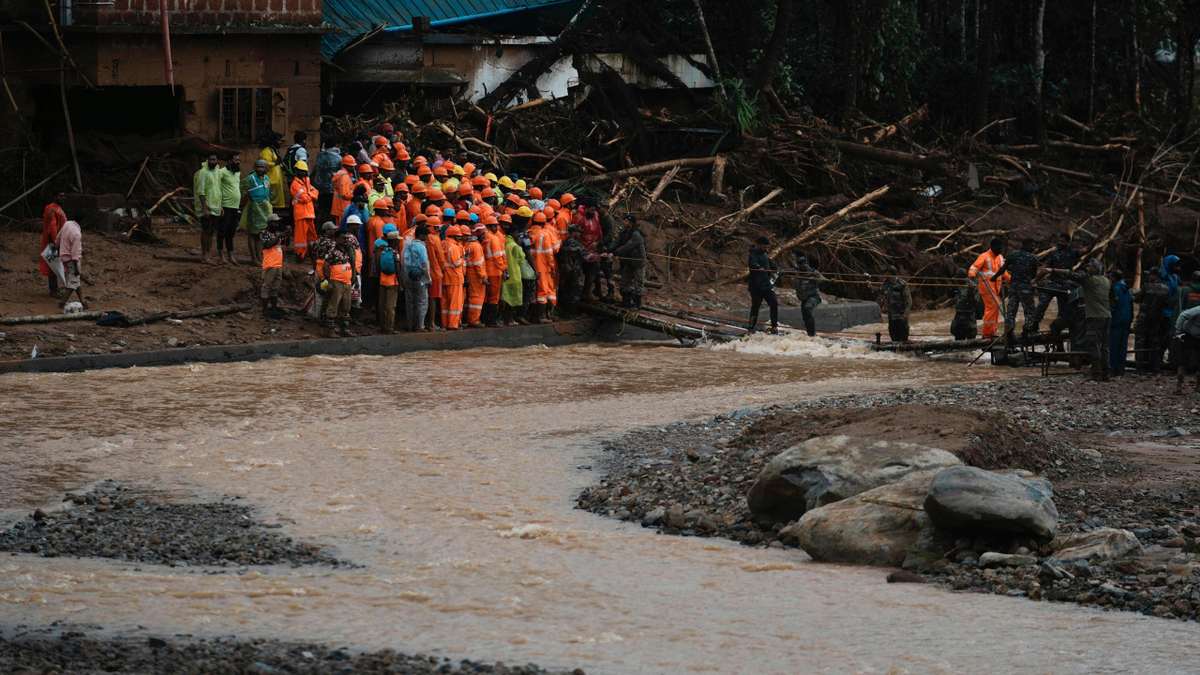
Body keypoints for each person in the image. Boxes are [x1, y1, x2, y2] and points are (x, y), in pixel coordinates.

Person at [1044, 257, 1113, 381]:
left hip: (1094, 316)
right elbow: (1113, 297)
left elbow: (1070, 273)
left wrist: (1051, 269)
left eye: (1089, 266)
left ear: (1095, 269)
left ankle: (1096, 374)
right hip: (1107, 316)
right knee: (1105, 346)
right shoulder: (1106, 281)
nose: (1087, 268)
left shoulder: (1089, 279)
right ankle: (1106, 374)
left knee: (1095, 345)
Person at [992, 236, 1039, 341]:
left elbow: (1003, 269)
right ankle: (1026, 331)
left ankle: (1009, 327)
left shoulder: (1012, 254)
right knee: (1030, 311)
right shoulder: (1033, 258)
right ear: (1026, 245)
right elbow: (1034, 275)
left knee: (1011, 310)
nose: (1034, 248)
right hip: (1026, 288)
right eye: (1032, 246)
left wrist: (994, 277)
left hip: (1013, 288)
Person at [1032, 233, 1079, 330]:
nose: (1060, 243)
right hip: (1052, 283)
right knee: (1042, 304)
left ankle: (1058, 327)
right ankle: (1034, 324)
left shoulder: (1073, 253)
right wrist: (1036, 280)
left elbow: (1086, 250)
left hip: (1065, 285)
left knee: (1064, 308)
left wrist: (1096, 241)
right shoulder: (1054, 253)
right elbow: (1046, 268)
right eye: (1059, 241)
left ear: (1068, 242)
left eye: (1062, 241)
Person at [319, 226, 357, 337]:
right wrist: (329, 281)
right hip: (336, 281)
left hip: (347, 282)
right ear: (336, 239)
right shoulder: (333, 251)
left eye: (347, 238)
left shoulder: (348, 250)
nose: (346, 240)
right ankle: (330, 329)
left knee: (346, 306)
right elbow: (325, 266)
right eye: (343, 238)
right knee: (333, 305)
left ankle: (344, 328)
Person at [968, 237, 1009, 339]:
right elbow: (973, 268)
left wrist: (1013, 279)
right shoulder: (984, 256)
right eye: (999, 248)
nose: (1000, 251)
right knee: (992, 307)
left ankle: (992, 332)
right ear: (993, 247)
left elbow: (1004, 274)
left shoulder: (1000, 258)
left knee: (996, 308)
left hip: (996, 288)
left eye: (1001, 249)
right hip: (986, 287)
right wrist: (972, 275)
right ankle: (986, 334)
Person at [1133, 270, 1170, 372]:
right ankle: (1155, 367)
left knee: (1140, 341)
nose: (1148, 276)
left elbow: (1137, 299)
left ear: (1155, 276)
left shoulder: (1147, 287)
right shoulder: (1166, 288)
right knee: (1155, 342)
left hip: (1143, 318)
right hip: (1156, 319)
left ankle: (1139, 367)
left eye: (1150, 275)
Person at [608, 214, 646, 310]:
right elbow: (616, 243)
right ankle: (626, 302)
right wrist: (608, 251)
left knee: (638, 284)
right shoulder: (623, 233)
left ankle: (637, 304)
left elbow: (627, 246)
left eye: (626, 221)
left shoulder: (636, 235)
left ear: (631, 223)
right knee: (625, 282)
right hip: (628, 262)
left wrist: (615, 253)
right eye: (623, 221)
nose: (623, 223)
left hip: (638, 263)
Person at [239, 159, 274, 264]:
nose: (260, 169)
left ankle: (260, 257)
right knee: (252, 233)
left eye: (262, 167)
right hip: (254, 208)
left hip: (264, 210)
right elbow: (240, 187)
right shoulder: (250, 178)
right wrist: (247, 196)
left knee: (259, 234)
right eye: (258, 167)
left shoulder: (266, 178)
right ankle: (254, 258)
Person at [866, 265, 912, 342]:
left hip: (901, 315)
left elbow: (908, 301)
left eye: (886, 273)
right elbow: (882, 291)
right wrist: (871, 287)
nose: (884, 274)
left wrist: (906, 314)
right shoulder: (886, 283)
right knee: (894, 337)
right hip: (891, 316)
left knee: (904, 338)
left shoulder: (902, 284)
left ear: (890, 273)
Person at [193, 153, 223, 263]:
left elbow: (218, 190)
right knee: (205, 230)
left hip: (215, 207)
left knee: (212, 231)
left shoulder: (217, 173)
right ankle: (204, 255)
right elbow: (201, 191)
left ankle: (209, 254)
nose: (212, 162)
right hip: (207, 207)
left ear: (217, 160)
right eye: (210, 160)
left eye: (214, 160)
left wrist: (220, 205)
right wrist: (204, 207)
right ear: (207, 160)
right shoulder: (203, 173)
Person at [259, 214, 290, 318]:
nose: (277, 224)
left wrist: (287, 235)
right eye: (275, 222)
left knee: (275, 287)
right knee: (266, 286)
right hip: (269, 264)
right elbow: (267, 245)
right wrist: (279, 236)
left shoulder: (276, 233)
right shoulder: (264, 233)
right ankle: (265, 310)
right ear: (269, 223)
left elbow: (286, 243)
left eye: (277, 222)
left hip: (278, 264)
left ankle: (274, 310)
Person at [403, 226, 431, 331]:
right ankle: (420, 326)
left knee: (410, 302)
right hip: (420, 279)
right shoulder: (421, 247)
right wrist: (428, 279)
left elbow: (404, 263)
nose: (427, 237)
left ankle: (410, 325)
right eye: (425, 235)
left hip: (409, 277)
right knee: (422, 302)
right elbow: (424, 264)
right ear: (420, 235)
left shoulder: (408, 245)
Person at [747, 236, 779, 333]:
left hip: (766, 285)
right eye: (764, 247)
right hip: (756, 286)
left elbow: (766, 268)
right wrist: (758, 268)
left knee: (774, 303)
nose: (766, 249)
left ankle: (774, 327)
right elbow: (752, 264)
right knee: (755, 307)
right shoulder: (753, 253)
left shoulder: (765, 255)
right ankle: (751, 328)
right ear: (759, 245)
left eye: (767, 247)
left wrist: (771, 273)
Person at [217, 153, 243, 264]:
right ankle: (221, 256)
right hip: (225, 206)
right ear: (229, 161)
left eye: (239, 160)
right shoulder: (221, 172)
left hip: (235, 206)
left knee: (231, 232)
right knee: (221, 231)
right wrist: (219, 205)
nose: (238, 162)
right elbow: (217, 189)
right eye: (236, 160)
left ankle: (231, 256)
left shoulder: (237, 172)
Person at [41, 188, 67, 297]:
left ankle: (55, 288)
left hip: (58, 241)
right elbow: (52, 227)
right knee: (53, 265)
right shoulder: (52, 209)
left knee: (57, 264)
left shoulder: (58, 208)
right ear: (55, 196)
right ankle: (53, 289)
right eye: (60, 196)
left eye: (63, 196)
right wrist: (54, 242)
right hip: (53, 241)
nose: (63, 198)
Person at [289, 160, 317, 260]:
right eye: (301, 171)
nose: (303, 173)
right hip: (301, 214)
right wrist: (310, 194)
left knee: (312, 237)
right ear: (296, 171)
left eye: (304, 171)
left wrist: (309, 194)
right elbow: (304, 198)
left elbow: (316, 193)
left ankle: (313, 254)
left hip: (309, 213)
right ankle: (300, 255)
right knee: (301, 238)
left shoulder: (306, 182)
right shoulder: (295, 185)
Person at [790, 254, 824, 337]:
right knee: (805, 317)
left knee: (808, 308)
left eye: (804, 266)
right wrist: (776, 272)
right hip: (803, 298)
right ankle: (810, 335)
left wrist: (830, 280)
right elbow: (781, 272)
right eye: (801, 267)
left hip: (813, 297)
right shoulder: (795, 272)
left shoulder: (813, 272)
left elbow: (823, 279)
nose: (803, 269)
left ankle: (813, 335)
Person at [558, 224, 587, 318]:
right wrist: (591, 255)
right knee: (576, 292)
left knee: (566, 290)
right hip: (575, 271)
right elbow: (585, 257)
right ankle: (573, 313)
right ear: (574, 232)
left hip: (565, 271)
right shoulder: (577, 244)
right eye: (578, 232)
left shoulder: (563, 242)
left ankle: (565, 312)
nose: (579, 233)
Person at [483, 216, 507, 326]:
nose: (496, 228)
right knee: (494, 297)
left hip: (487, 269)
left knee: (487, 297)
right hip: (495, 271)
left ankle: (485, 319)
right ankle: (493, 320)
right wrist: (504, 269)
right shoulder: (494, 238)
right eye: (494, 226)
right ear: (488, 226)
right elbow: (498, 257)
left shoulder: (485, 236)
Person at [441, 225, 466, 330]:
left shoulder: (443, 244)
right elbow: (456, 262)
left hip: (445, 278)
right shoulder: (454, 247)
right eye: (458, 236)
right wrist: (463, 259)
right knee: (455, 303)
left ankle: (445, 323)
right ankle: (453, 324)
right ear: (454, 236)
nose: (460, 238)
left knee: (445, 304)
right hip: (455, 278)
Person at [502, 222, 528, 325]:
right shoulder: (514, 245)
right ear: (512, 233)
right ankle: (510, 320)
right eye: (516, 233)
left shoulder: (505, 242)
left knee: (506, 298)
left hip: (507, 273)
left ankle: (504, 318)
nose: (517, 235)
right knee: (513, 299)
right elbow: (521, 257)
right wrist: (518, 244)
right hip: (514, 274)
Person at [376, 230, 401, 333]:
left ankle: (382, 326)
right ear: (394, 241)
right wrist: (401, 284)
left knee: (382, 305)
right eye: (397, 240)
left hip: (382, 281)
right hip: (392, 282)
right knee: (391, 306)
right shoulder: (395, 253)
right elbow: (398, 269)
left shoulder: (381, 251)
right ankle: (390, 327)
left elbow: (377, 266)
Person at [464, 224, 490, 327]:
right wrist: (483, 277)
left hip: (470, 274)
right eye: (483, 234)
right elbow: (478, 264)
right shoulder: (476, 246)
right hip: (476, 276)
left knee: (470, 298)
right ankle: (474, 320)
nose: (484, 236)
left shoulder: (468, 244)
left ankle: (468, 318)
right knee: (477, 297)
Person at [55, 219, 84, 309]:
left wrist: (58, 247)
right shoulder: (77, 234)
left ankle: (83, 301)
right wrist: (76, 268)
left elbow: (58, 238)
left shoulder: (67, 224)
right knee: (73, 282)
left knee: (75, 280)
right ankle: (63, 302)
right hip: (72, 260)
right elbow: (74, 252)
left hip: (64, 258)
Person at [1173, 303, 1200, 394]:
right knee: (1184, 362)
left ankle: (1198, 387)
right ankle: (1179, 387)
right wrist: (1178, 331)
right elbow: (1182, 315)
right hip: (1189, 335)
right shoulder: (1197, 310)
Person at [1109, 269, 1132, 375]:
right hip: (1126, 320)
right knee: (1123, 348)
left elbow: (1112, 306)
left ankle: (1112, 368)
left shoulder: (1115, 289)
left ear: (1113, 277)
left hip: (1116, 321)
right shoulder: (1128, 290)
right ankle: (1120, 369)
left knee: (1113, 347)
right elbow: (1131, 307)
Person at [312, 142, 341, 220]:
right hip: (332, 187)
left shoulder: (319, 157)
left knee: (322, 209)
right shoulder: (337, 158)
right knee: (331, 209)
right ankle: (329, 227)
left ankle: (319, 228)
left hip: (321, 187)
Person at [257, 131, 285, 209]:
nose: (280, 142)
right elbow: (265, 164)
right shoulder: (266, 151)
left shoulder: (274, 151)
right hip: (270, 182)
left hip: (276, 183)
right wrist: (276, 163)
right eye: (279, 140)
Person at [950, 268, 979, 340]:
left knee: (971, 340)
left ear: (962, 278)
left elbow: (976, 303)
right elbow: (953, 298)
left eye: (958, 279)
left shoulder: (973, 287)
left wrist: (971, 292)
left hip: (969, 317)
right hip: (959, 316)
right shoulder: (959, 286)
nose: (957, 281)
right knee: (958, 340)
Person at [595, 202, 617, 298]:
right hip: (599, 247)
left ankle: (611, 291)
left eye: (600, 208)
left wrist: (599, 243)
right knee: (595, 270)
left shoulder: (609, 220)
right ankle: (597, 289)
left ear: (605, 208)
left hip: (607, 247)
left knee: (608, 271)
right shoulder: (599, 218)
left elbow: (610, 236)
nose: (598, 210)